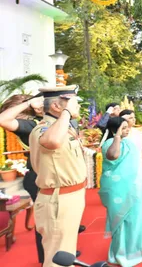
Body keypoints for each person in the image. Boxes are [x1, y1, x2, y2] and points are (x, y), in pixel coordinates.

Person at [29, 85, 86, 267]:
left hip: (69, 197)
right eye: (73, 104)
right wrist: (67, 112)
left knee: (66, 254)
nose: (77, 108)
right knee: (57, 259)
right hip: (58, 200)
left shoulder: (62, 127)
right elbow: (51, 141)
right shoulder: (44, 129)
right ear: (56, 106)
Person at [99, 117, 142, 266]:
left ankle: (139, 248)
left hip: (136, 188)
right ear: (115, 129)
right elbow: (113, 155)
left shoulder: (129, 143)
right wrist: (117, 136)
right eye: (123, 127)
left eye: (127, 127)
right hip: (119, 191)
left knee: (137, 218)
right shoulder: (109, 144)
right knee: (124, 220)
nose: (127, 130)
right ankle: (122, 252)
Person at [0, 94, 46, 262]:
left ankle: (55, 253)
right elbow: (3, 119)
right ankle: (47, 257)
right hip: (38, 178)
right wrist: (28, 103)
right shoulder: (28, 125)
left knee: (49, 220)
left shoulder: (36, 122)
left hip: (39, 175)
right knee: (46, 223)